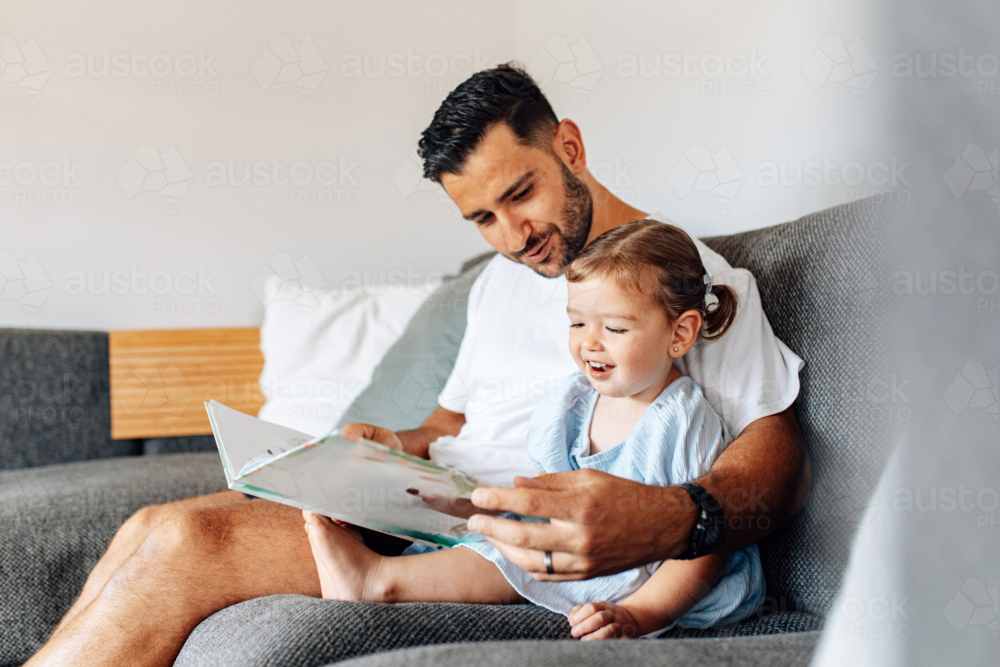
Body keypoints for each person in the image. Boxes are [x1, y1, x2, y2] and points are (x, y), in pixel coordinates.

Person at [25, 64, 807, 667]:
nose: (511, 235)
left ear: (568, 146)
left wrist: (671, 518)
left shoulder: (689, 283)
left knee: (184, 544)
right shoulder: (503, 281)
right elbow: (448, 424)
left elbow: (776, 454)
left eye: (520, 193)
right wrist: (390, 446)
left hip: (508, 540)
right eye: (482, 218)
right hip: (427, 503)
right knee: (148, 525)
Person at [304, 220, 765, 640]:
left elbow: (706, 548)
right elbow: (543, 497)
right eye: (577, 323)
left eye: (616, 328)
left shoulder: (683, 422)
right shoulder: (573, 401)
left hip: (661, 579)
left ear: (680, 334)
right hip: (585, 541)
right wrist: (458, 502)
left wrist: (641, 615)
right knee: (497, 528)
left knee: (519, 552)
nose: (590, 342)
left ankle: (377, 583)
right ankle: (388, 553)